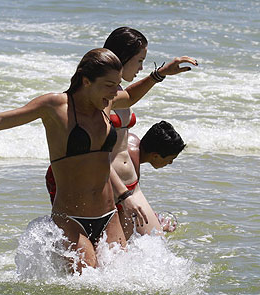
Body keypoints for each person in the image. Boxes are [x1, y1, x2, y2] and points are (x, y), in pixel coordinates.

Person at [0, 48, 193, 273]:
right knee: (88, 291)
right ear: (86, 80)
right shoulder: (55, 107)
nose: (115, 92)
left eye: (116, 84)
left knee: (118, 291)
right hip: (71, 219)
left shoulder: (107, 102)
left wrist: (159, 74)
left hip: (109, 215)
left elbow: (128, 96)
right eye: (108, 85)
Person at [46, 27, 198, 238]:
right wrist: (123, 195)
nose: (141, 67)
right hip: (108, 184)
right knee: (112, 256)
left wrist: (160, 73)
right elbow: (94, 149)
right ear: (123, 58)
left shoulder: (117, 93)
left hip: (130, 183)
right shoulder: (98, 96)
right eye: (139, 60)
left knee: (153, 244)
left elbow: (129, 97)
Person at [120, 121, 186, 239]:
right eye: (170, 159)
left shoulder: (133, 140)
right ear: (155, 155)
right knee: (153, 238)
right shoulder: (130, 159)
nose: (170, 163)